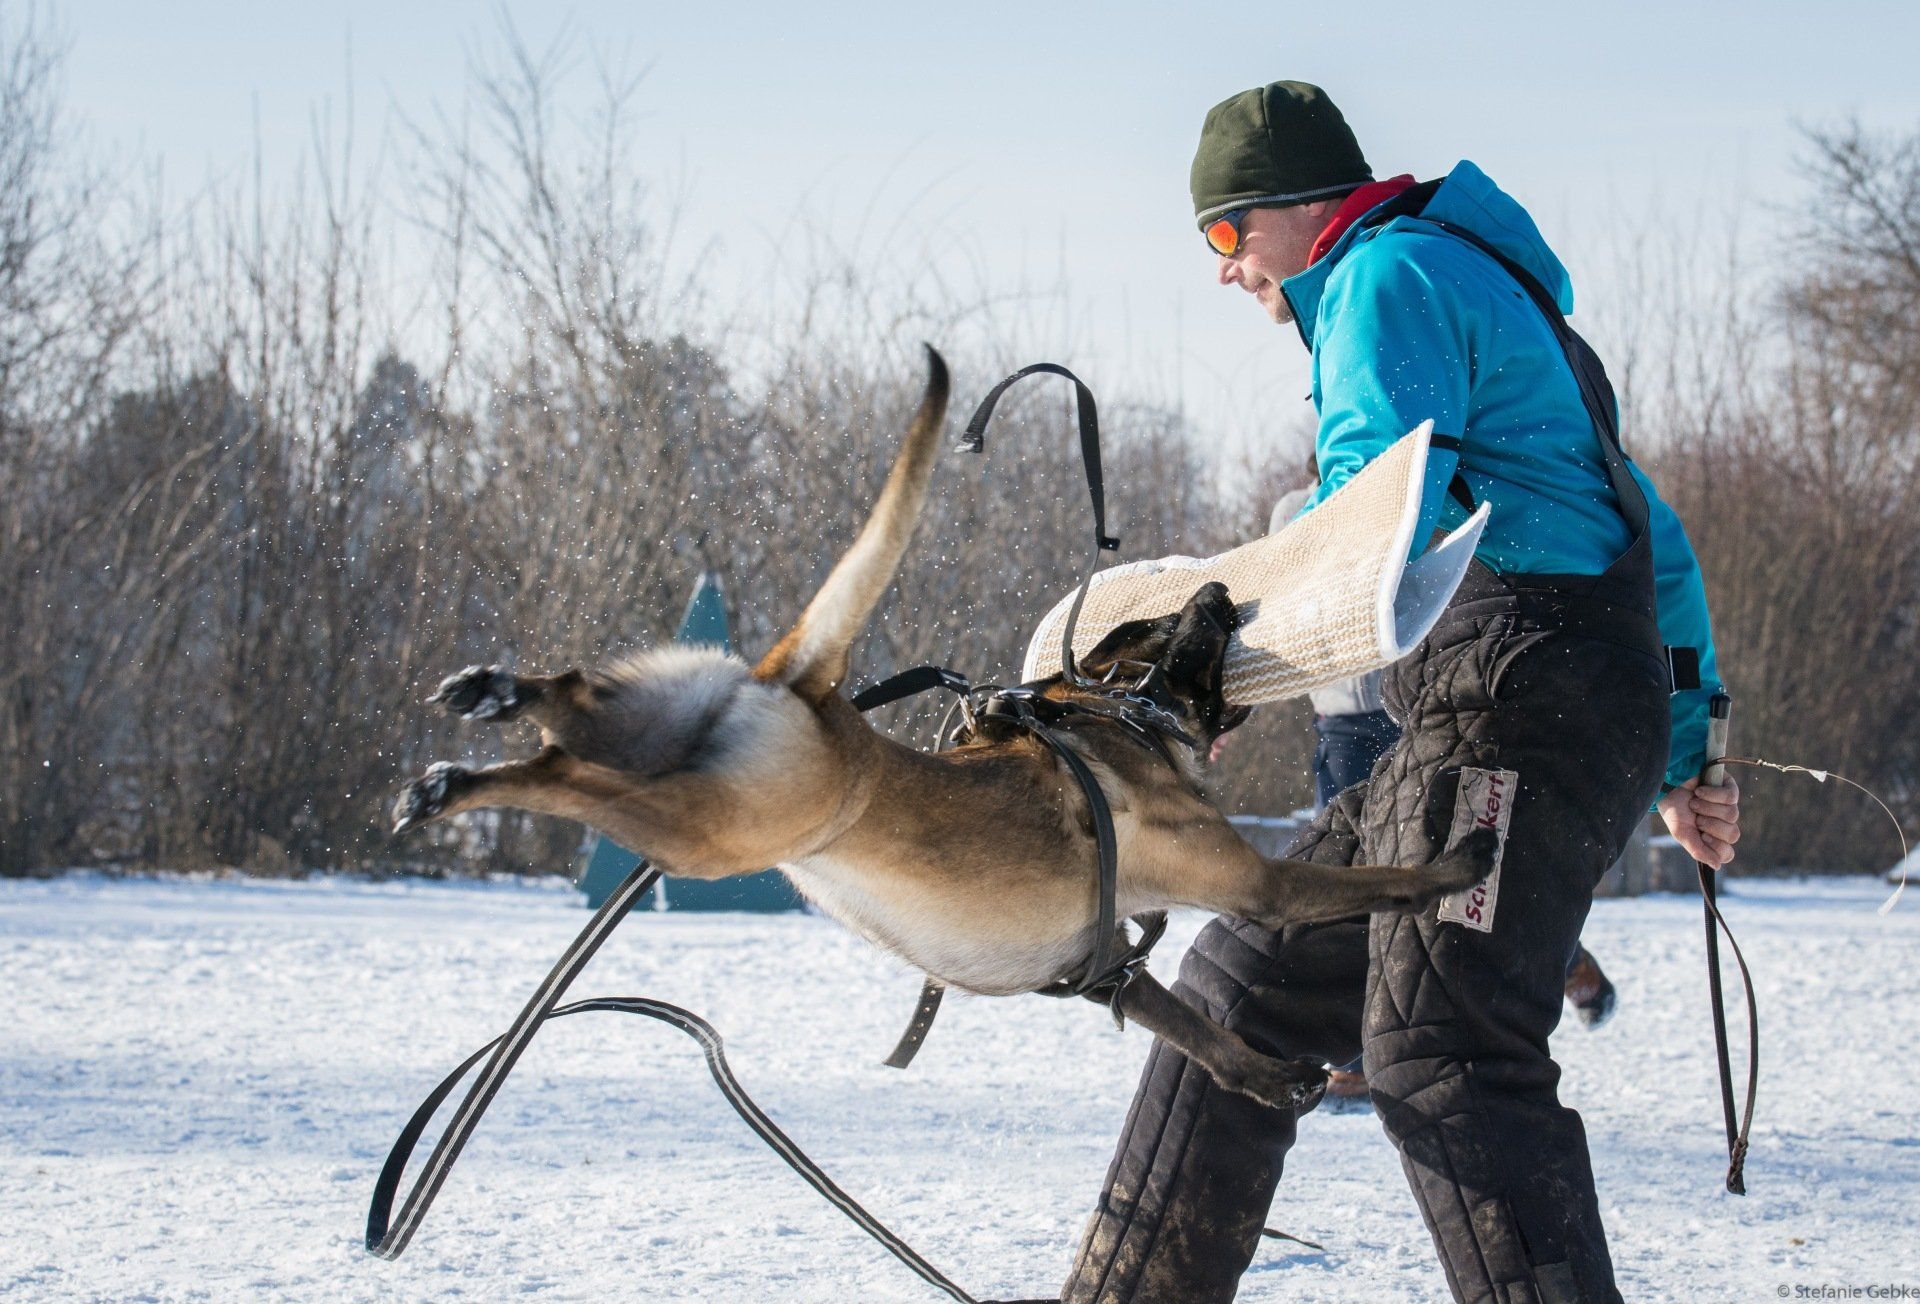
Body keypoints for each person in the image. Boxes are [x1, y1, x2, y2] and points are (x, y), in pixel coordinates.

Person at [1061, 82, 1741, 1304]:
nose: (1224, 269)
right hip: (1525, 702)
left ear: (1297, 207)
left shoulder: (1385, 276)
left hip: (1521, 699)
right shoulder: (1481, 284)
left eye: (1226, 232)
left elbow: (1368, 524)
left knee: (1446, 1046)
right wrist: (1690, 759)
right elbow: (1666, 543)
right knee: (1240, 990)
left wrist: (1208, 680)